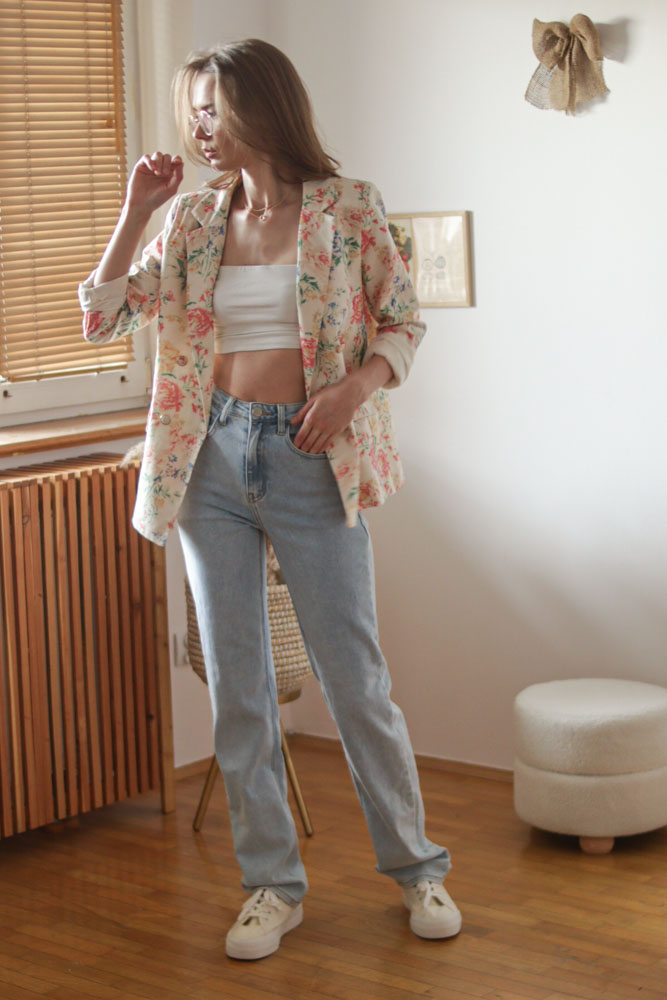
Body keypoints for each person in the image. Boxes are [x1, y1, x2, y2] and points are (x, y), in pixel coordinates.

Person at [79, 38, 461, 961]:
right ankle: (270, 886)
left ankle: (417, 869)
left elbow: (404, 323)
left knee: (354, 678)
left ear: (265, 106)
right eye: (194, 110)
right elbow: (102, 315)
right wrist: (136, 211)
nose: (200, 127)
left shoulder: (348, 208)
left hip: (310, 456)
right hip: (207, 458)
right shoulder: (192, 218)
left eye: (214, 108)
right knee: (237, 684)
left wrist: (353, 389)